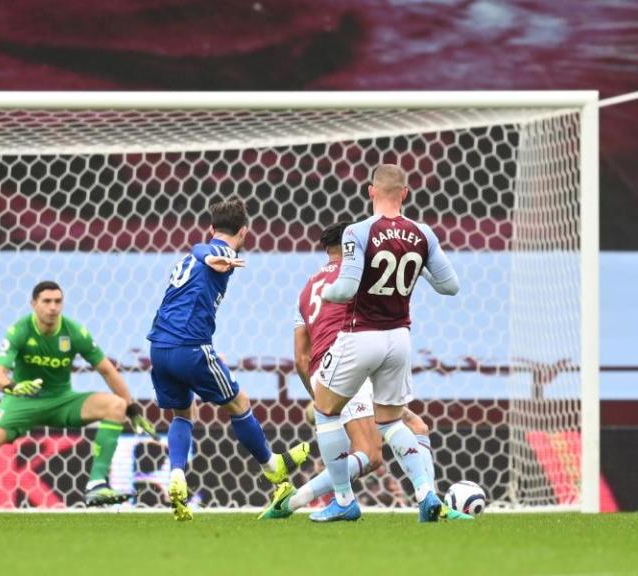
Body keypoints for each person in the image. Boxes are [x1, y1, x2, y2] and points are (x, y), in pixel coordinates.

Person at [0, 280, 155, 511]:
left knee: (115, 405)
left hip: (61, 401)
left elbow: (106, 370)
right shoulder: (20, 330)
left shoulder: (74, 331)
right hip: (22, 401)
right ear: (34, 304)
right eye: (47, 301)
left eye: (58, 301)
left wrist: (131, 408)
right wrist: (12, 387)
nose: (53, 307)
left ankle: (96, 484)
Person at [259, 221, 437, 520]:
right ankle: (294, 502)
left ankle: (431, 500)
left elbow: (301, 357)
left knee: (414, 427)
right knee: (371, 453)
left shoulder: (306, 289)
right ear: (354, 246)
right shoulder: (356, 274)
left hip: (323, 370)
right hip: (349, 361)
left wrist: (320, 397)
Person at [147, 198, 310, 521]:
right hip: (190, 346)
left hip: (159, 347)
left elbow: (198, 257)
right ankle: (272, 468)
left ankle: (176, 474)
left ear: (211, 228)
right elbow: (206, 253)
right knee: (239, 403)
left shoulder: (190, 259)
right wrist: (213, 253)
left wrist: (206, 252)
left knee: (183, 412)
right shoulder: (216, 254)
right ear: (245, 231)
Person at [314, 164, 460, 523]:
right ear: (406, 193)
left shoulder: (358, 231)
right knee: (392, 422)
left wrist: (328, 292)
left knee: (326, 409)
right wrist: (419, 267)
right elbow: (450, 286)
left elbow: (346, 288)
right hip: (400, 339)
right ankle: (425, 492)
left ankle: (345, 500)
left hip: (361, 334)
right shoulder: (423, 234)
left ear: (370, 191)